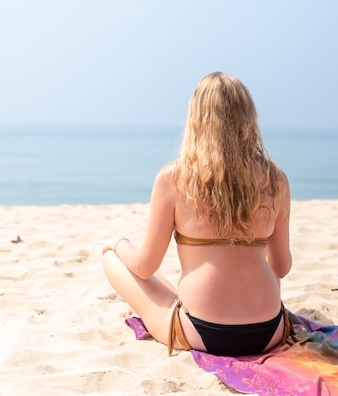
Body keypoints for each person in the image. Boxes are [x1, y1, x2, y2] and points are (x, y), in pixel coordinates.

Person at [102, 72, 293, 357]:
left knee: (111, 259)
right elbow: (280, 268)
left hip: (201, 331)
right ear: (248, 118)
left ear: (196, 118)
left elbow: (145, 267)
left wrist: (118, 245)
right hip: (269, 331)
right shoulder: (275, 179)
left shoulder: (174, 178)